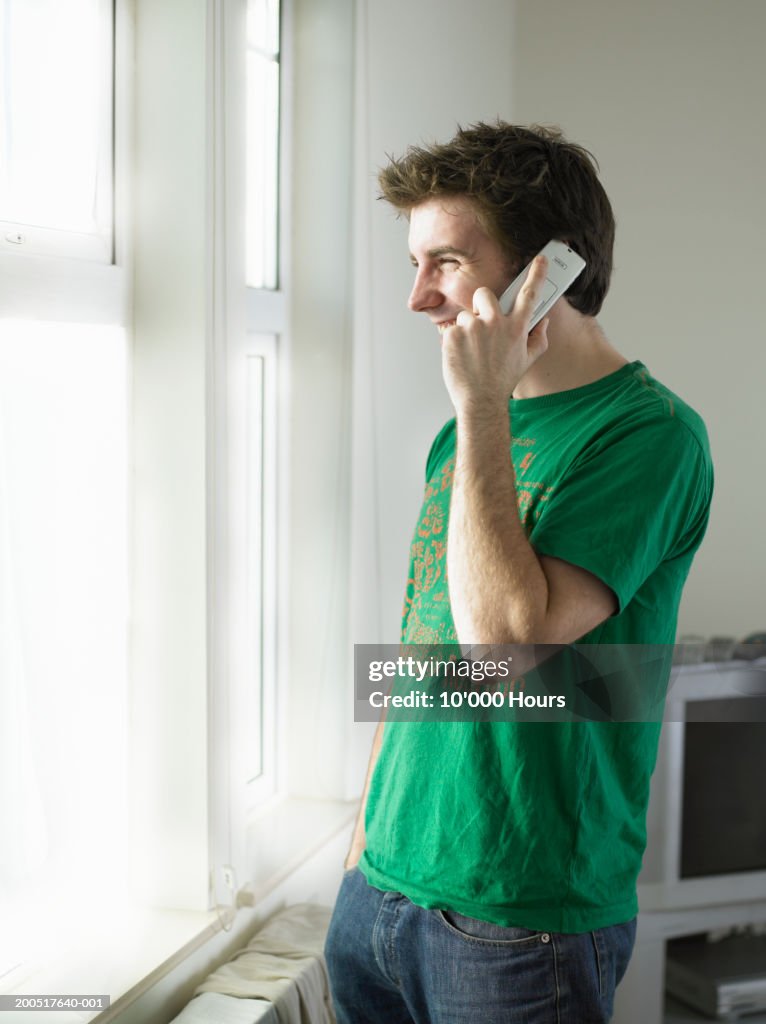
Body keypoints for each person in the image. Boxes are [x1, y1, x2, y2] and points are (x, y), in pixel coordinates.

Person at [324, 122, 713, 1023]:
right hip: (379, 894)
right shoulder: (459, 436)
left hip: (517, 924)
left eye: (447, 262)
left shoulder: (650, 436)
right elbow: (425, 651)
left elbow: (503, 648)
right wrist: (361, 849)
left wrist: (484, 404)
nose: (418, 298)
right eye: (415, 265)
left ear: (551, 270)